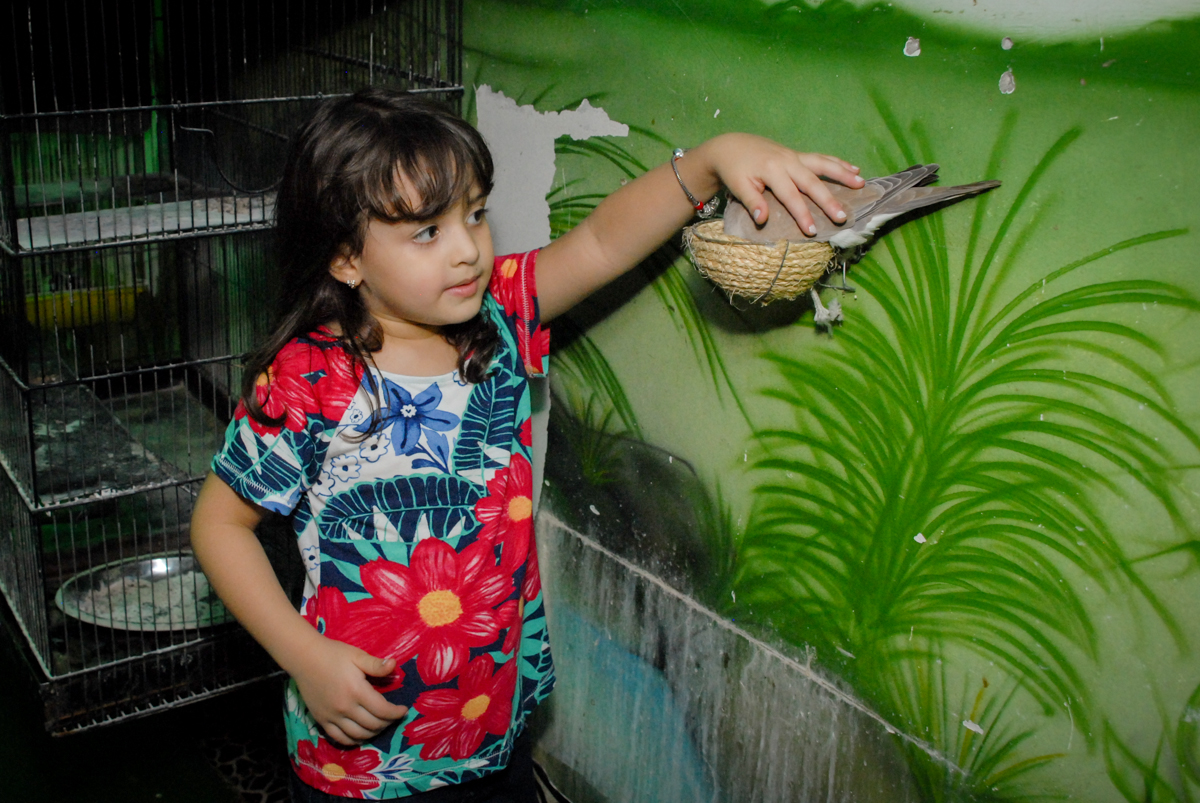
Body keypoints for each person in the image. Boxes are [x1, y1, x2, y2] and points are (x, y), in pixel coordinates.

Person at [190, 86, 862, 801]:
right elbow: (219, 525)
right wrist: (306, 658)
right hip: (360, 759)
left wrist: (708, 163)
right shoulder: (306, 379)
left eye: (474, 215)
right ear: (346, 259)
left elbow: (603, 241)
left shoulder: (503, 318)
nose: (467, 251)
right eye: (426, 232)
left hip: (492, 731)